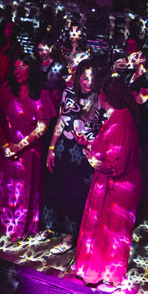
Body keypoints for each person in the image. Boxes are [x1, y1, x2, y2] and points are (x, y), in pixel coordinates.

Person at [73, 74, 142, 291]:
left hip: (117, 187)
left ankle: (104, 274)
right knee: (106, 230)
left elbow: (114, 165)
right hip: (113, 184)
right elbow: (109, 149)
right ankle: (99, 271)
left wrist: (89, 157)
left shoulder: (120, 122)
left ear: (104, 96)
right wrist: (89, 144)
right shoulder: (118, 116)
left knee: (109, 231)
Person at [41, 61, 103, 258]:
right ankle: (52, 227)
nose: (88, 82)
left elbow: (104, 130)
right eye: (84, 78)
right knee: (57, 186)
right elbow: (61, 120)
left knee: (76, 193)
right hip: (64, 147)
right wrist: (52, 147)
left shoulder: (101, 98)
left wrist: (91, 144)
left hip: (85, 152)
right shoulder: (68, 93)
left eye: (92, 78)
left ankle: (70, 236)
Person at [0, 57, 57, 242]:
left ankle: (21, 227)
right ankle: (4, 225)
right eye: (15, 67)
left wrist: (19, 146)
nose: (18, 70)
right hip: (6, 146)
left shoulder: (41, 92)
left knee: (24, 189)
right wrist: (6, 144)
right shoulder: (6, 89)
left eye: (22, 66)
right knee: (5, 188)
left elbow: (43, 127)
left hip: (29, 149)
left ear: (32, 69)